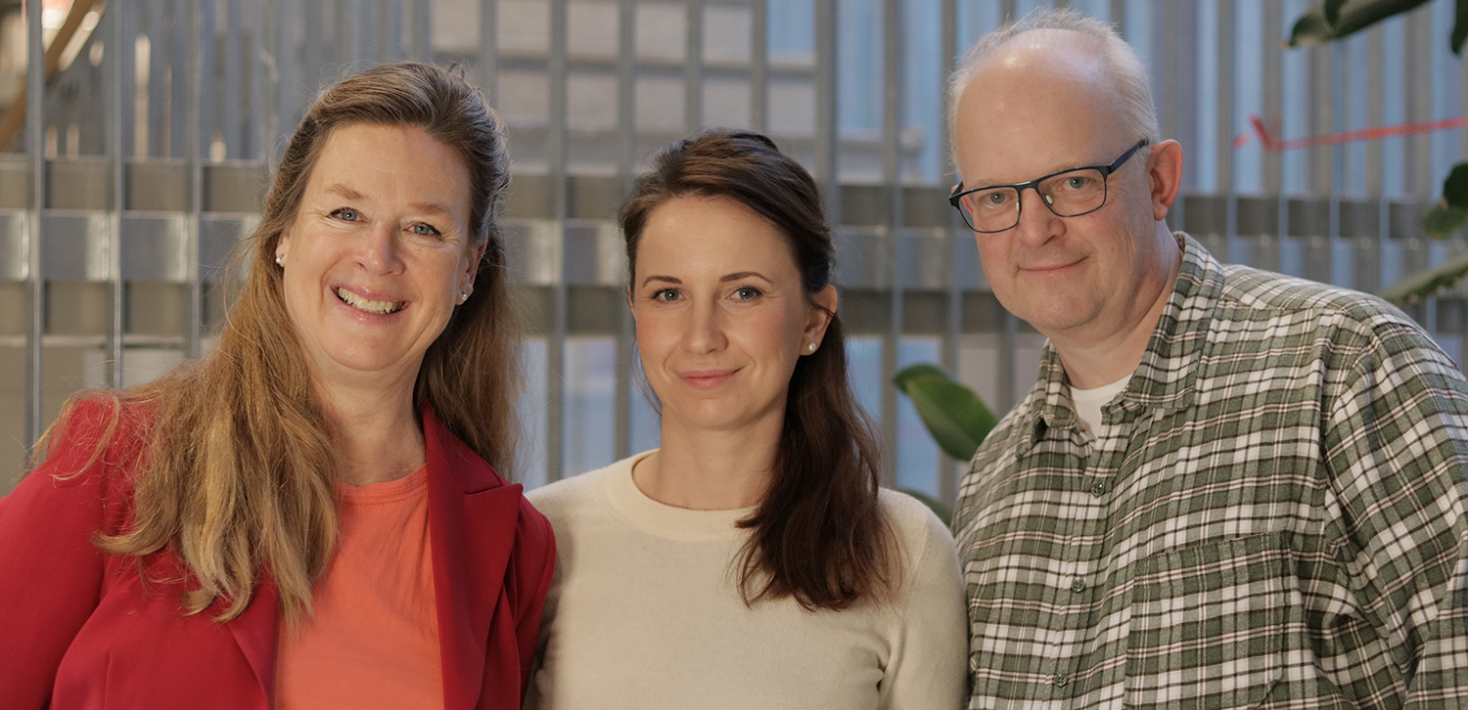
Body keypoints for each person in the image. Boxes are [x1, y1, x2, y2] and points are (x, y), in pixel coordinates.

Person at [946, 9, 1468, 709]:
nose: (1034, 229)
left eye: (1073, 182)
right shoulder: (992, 485)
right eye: (995, 197)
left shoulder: (1344, 368)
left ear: (1160, 180)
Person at [0, 62, 555, 710]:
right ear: (284, 233)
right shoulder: (117, 460)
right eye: (346, 211)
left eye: (423, 228)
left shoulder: (512, 546)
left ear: (468, 268)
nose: (379, 257)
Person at [524, 129, 967, 709]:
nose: (701, 336)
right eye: (668, 295)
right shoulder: (542, 536)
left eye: (745, 293)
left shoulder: (902, 551)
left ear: (814, 320)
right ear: (634, 308)